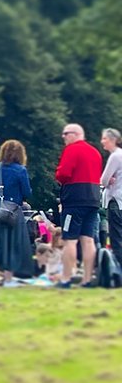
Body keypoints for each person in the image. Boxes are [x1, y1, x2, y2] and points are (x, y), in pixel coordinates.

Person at [55, 123, 102, 288]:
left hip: (74, 199)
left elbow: (64, 173)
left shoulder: (72, 150)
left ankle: (66, 278)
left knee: (70, 240)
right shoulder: (95, 152)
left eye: (65, 133)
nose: (63, 137)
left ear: (75, 134)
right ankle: (87, 279)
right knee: (88, 240)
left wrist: (58, 176)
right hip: (94, 198)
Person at [0, 139, 33, 284]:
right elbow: (26, 192)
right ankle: (8, 278)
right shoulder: (21, 170)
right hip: (10, 210)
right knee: (12, 244)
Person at [100, 128, 122, 256]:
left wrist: (107, 180)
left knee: (116, 239)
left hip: (115, 202)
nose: (102, 141)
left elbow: (104, 180)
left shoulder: (115, 156)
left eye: (104, 138)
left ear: (113, 140)